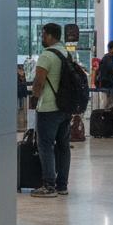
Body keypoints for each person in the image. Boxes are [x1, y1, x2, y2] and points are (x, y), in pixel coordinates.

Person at [29, 22, 70, 198]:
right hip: (65, 107)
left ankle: (48, 185)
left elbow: (39, 82)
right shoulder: (66, 53)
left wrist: (34, 98)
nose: (42, 38)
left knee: (45, 145)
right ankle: (62, 185)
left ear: (50, 35)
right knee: (63, 146)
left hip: (48, 107)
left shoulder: (46, 55)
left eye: (43, 34)